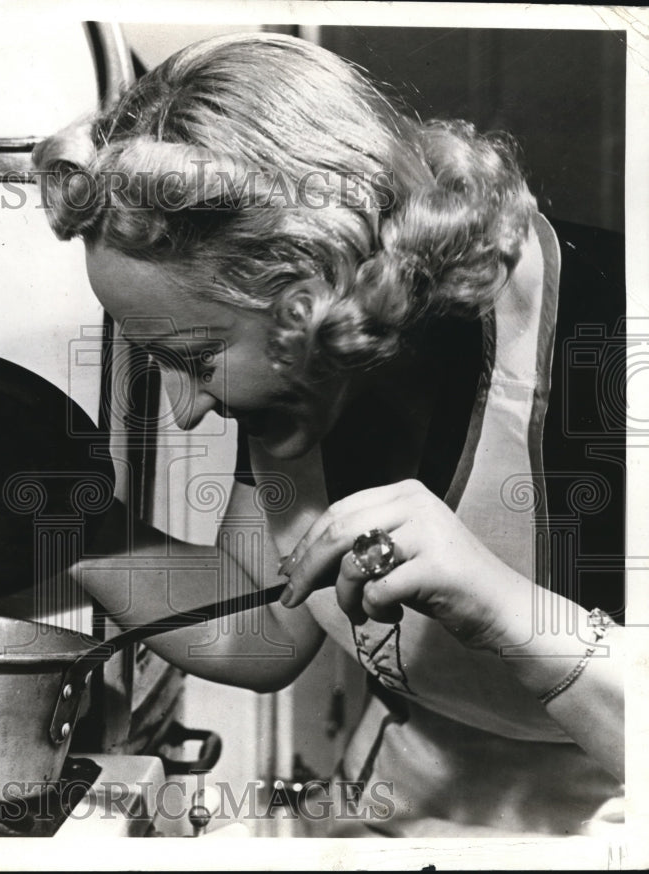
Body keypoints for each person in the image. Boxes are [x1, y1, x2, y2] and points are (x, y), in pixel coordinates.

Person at [33, 32, 625, 836]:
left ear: (321, 284)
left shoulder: (612, 337)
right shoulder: (320, 361)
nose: (184, 408)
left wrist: (503, 609)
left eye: (195, 359)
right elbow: (267, 622)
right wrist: (59, 518)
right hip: (398, 801)